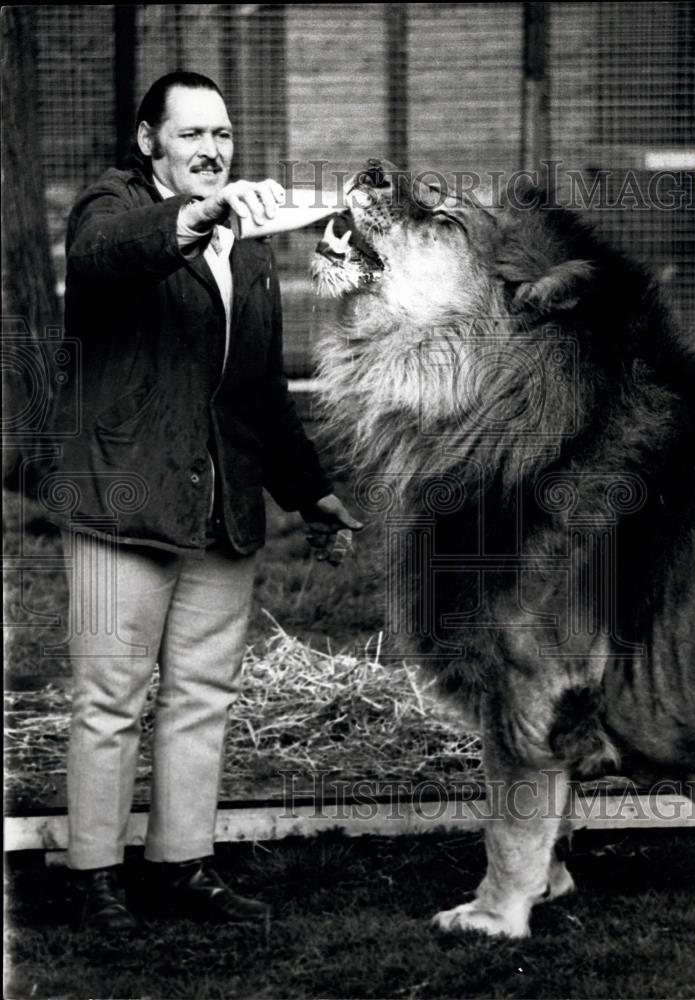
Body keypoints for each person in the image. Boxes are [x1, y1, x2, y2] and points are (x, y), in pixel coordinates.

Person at [45, 71, 362, 933]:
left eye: (222, 134)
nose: (212, 150)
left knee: (203, 693)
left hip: (221, 509)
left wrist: (311, 492)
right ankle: (92, 878)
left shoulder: (250, 248)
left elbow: (258, 394)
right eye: (191, 135)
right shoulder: (111, 211)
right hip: (119, 499)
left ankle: (183, 866)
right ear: (150, 142)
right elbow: (111, 254)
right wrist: (195, 221)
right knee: (109, 699)